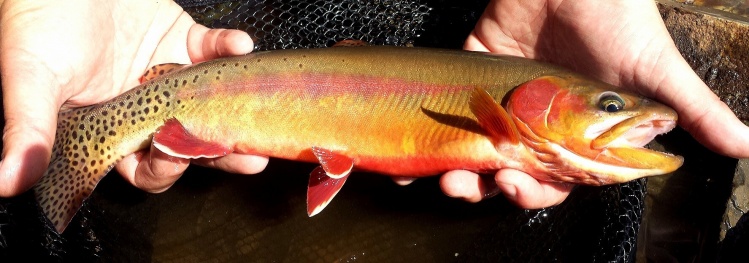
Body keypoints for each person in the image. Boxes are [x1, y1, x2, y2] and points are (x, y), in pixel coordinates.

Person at [0, 0, 747, 210]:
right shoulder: (500, 117)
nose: (622, 115)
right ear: (529, 100)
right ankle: (84, 147)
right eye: (605, 104)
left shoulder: (510, 125)